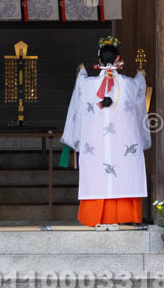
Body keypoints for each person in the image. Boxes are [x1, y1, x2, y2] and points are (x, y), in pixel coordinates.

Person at [61, 36, 151, 230]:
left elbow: (80, 88)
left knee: (96, 175)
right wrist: (141, 75)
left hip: (96, 145)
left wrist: (81, 72)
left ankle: (96, 216)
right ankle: (123, 215)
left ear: (99, 61)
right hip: (122, 144)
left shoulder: (87, 85)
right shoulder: (130, 85)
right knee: (124, 172)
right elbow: (140, 89)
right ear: (119, 60)